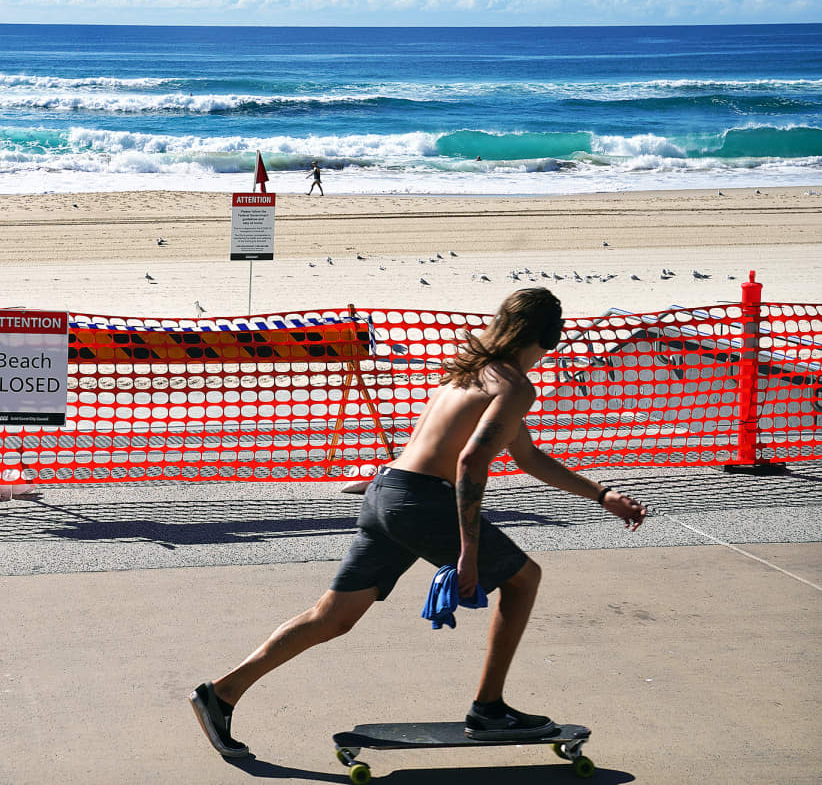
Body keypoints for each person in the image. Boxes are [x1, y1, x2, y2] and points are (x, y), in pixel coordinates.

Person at [190, 288, 647, 758]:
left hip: (385, 490)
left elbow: (526, 455)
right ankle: (488, 711)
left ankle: (221, 693)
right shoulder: (513, 386)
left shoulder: (471, 372)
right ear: (550, 337)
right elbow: (471, 463)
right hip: (421, 503)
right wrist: (468, 555)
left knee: (333, 618)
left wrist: (601, 495)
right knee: (524, 578)